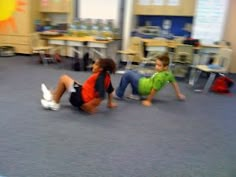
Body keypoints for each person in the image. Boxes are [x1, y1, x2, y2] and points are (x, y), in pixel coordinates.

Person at [41, 58, 117, 114]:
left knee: (63, 78)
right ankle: (53, 95)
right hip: (82, 94)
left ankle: (55, 103)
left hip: (80, 99)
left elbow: (101, 96)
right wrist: (109, 103)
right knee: (74, 83)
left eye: (96, 64)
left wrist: (89, 106)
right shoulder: (106, 76)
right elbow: (110, 90)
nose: (93, 65)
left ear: (101, 69)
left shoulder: (99, 78)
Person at [114, 53, 186, 107]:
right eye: (156, 64)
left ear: (165, 67)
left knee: (128, 74)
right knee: (136, 72)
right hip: (144, 82)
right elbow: (174, 83)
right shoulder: (168, 73)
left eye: (159, 65)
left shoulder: (160, 77)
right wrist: (178, 94)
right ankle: (135, 94)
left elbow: (154, 89)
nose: (156, 67)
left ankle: (118, 94)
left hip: (142, 87)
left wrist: (148, 101)